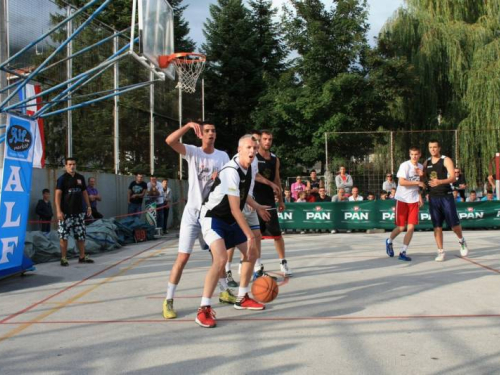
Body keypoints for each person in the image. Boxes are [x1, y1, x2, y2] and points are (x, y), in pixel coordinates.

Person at [196, 135, 271, 328]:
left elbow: (243, 197)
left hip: (228, 218)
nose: (253, 151)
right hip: (212, 217)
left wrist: (258, 206)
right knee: (220, 259)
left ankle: (242, 297)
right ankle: (203, 309)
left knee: (251, 253)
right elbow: (234, 208)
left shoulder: (247, 168)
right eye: (248, 147)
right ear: (239, 149)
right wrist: (248, 234)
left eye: (255, 148)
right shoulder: (231, 170)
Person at [162, 120, 230, 320]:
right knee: (182, 258)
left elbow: (229, 182)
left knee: (218, 256)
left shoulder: (223, 156)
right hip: (192, 214)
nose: (211, 133)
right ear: (201, 134)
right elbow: (169, 140)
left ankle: (224, 290)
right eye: (207, 130)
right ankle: (168, 300)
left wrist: (221, 178)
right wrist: (189, 126)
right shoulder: (192, 152)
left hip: (211, 214)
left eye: (213, 130)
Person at [253, 129, 293, 276]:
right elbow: (254, 175)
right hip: (254, 199)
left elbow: (277, 179)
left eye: (270, 139)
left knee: (276, 233)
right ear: (260, 140)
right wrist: (270, 184)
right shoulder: (254, 156)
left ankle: (283, 262)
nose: (267, 142)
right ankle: (257, 265)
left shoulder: (275, 159)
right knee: (255, 234)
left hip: (269, 199)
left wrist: (281, 199)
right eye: (265, 139)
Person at [423, 140, 469, 262]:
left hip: (446, 196)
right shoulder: (426, 162)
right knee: (437, 226)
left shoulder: (446, 160)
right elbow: (423, 178)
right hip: (433, 197)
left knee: (454, 225)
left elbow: (453, 177)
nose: (432, 149)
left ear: (439, 148)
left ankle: (461, 240)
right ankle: (441, 251)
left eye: (434, 147)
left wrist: (440, 181)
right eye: (430, 147)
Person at [385, 147, 425, 262]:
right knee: (402, 227)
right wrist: (417, 181)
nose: (414, 156)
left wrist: (420, 196)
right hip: (402, 199)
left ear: (420, 154)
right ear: (409, 154)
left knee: (411, 227)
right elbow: (402, 182)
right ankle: (389, 240)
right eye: (412, 154)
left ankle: (403, 251)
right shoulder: (405, 166)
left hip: (413, 200)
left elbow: (422, 185)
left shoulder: (421, 167)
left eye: (416, 154)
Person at [55, 158, 94, 266]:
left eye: (74, 164)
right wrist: (58, 211)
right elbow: (57, 195)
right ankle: (64, 258)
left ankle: (82, 257)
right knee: (64, 236)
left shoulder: (80, 178)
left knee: (81, 235)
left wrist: (88, 206)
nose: (72, 166)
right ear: (66, 166)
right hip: (65, 213)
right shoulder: (62, 179)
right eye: (70, 164)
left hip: (79, 213)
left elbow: (85, 193)